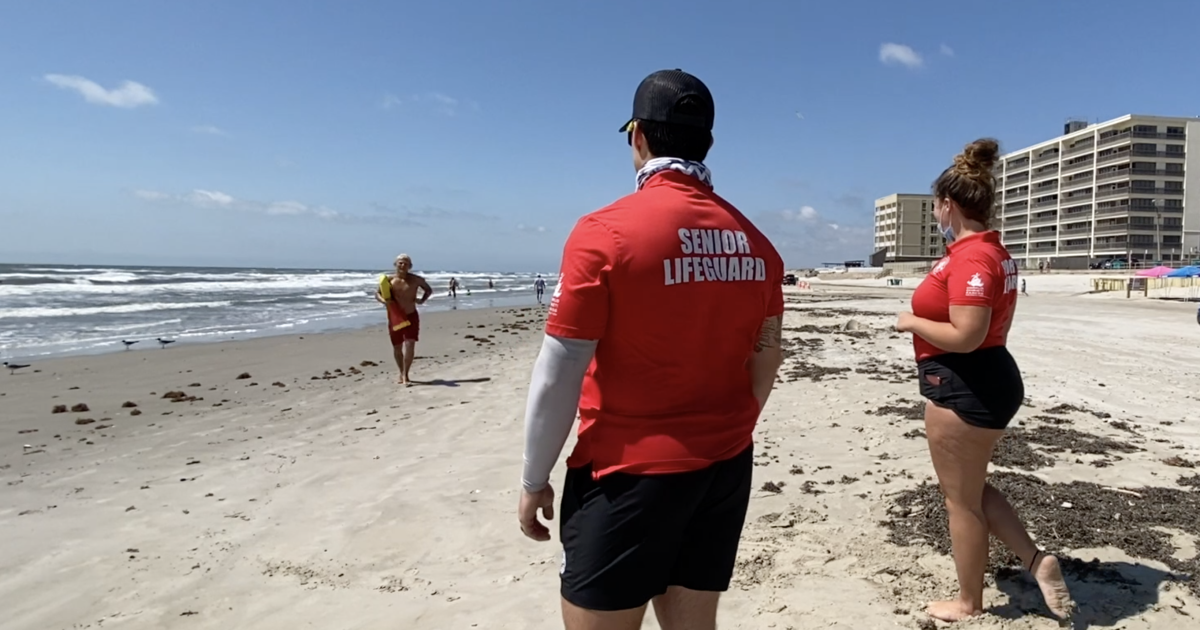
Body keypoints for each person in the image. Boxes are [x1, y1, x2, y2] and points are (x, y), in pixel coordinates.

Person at [517, 69, 785, 630]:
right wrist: (729, 428)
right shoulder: (756, 243)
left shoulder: (604, 233)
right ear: (706, 141)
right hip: (723, 466)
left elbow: (559, 371)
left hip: (626, 472)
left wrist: (533, 477)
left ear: (637, 136)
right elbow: (766, 356)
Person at [894, 139, 1074, 622]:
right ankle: (1038, 562)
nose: (935, 213)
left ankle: (968, 602)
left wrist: (910, 322)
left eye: (935, 205)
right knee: (970, 490)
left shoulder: (972, 258)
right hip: (988, 376)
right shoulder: (991, 251)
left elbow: (967, 334)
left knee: (960, 503)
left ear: (948, 205)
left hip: (964, 383)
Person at [375, 254, 432, 386]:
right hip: (395, 317)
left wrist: (422, 300)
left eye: (406, 263)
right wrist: (384, 301)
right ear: (395, 264)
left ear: (410, 266)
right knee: (397, 347)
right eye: (400, 263)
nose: (403, 265)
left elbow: (428, 290)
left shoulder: (416, 280)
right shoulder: (389, 280)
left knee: (410, 344)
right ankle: (401, 372)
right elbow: (377, 293)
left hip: (411, 315)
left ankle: (406, 374)